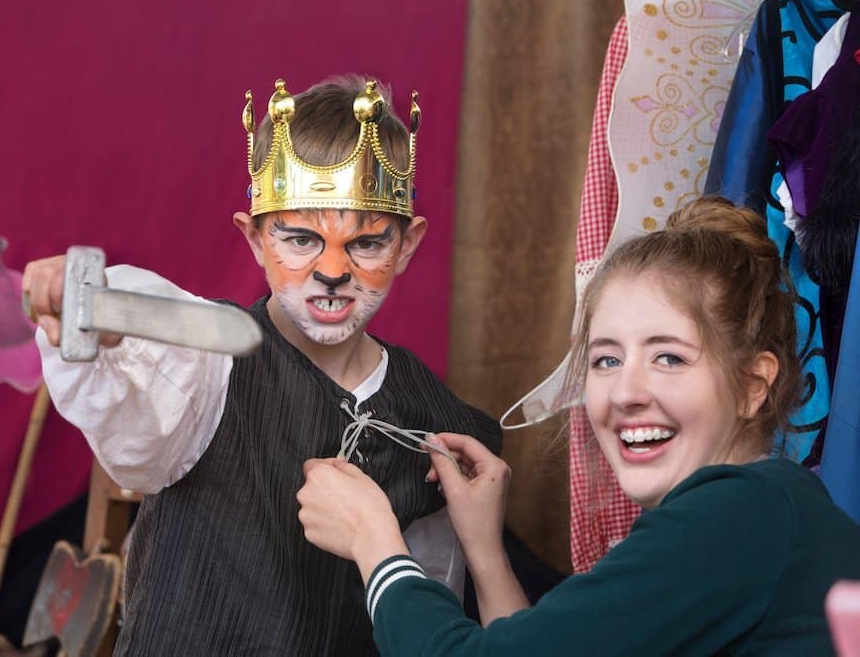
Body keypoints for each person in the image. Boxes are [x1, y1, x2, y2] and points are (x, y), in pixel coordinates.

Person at [21, 75, 501, 656]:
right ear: (254, 239)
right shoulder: (206, 367)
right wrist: (102, 312)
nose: (332, 271)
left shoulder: (438, 422)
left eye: (366, 244)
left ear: (407, 244)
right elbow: (140, 408)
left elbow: (428, 614)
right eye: (299, 240)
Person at [297, 196, 860, 656]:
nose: (626, 393)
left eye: (669, 358)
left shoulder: (739, 516)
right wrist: (485, 550)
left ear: (753, 385)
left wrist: (374, 544)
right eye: (606, 360)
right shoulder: (768, 512)